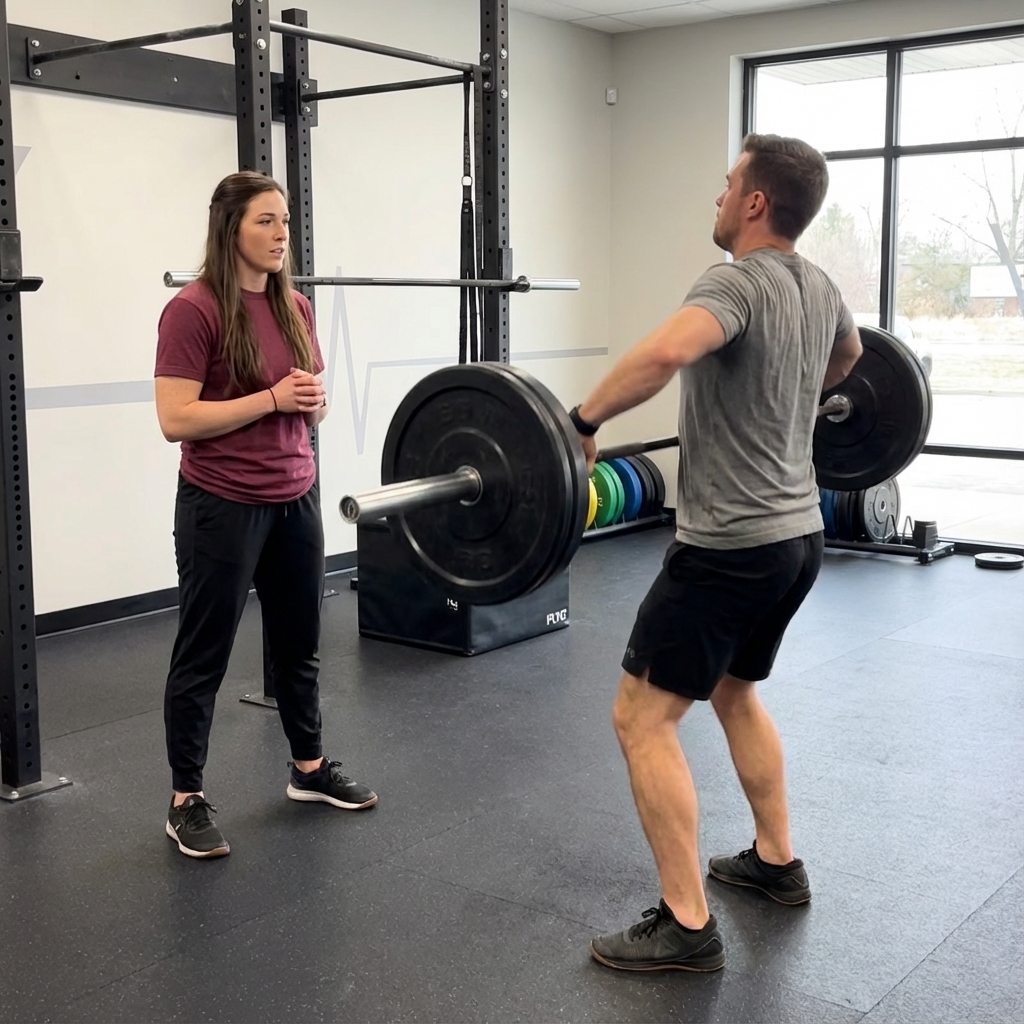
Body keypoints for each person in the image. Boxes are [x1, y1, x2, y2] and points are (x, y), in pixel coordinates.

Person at [568, 134, 863, 970]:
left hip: (729, 544)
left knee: (641, 720)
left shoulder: (735, 280)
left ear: (757, 202)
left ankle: (687, 923)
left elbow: (668, 351)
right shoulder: (819, 285)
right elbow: (851, 358)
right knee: (736, 693)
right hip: (798, 536)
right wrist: (788, 398)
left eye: (729, 184)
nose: (721, 196)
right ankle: (776, 863)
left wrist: (583, 422)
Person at [154, 171, 377, 859]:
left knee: (299, 645)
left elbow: (305, 395)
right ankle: (185, 799)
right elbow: (175, 418)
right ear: (231, 230)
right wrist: (274, 400)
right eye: (266, 222)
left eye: (284, 221)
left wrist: (310, 401)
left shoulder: (294, 308)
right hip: (221, 504)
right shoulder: (193, 311)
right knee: (205, 654)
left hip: (295, 497)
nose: (282, 234)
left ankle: (308, 770)